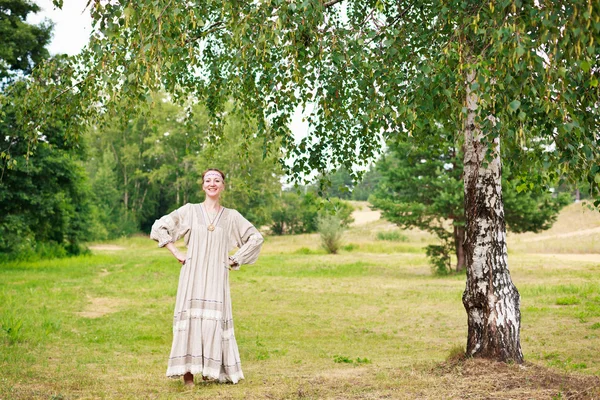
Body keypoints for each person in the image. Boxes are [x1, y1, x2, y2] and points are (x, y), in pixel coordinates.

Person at [150, 168, 264, 386]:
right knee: (192, 320)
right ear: (203, 186)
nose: (212, 183)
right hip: (192, 275)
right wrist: (177, 253)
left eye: (217, 180)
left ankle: (210, 370)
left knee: (212, 321)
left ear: (223, 186)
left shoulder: (231, 216)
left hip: (216, 277)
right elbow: (159, 227)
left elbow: (255, 238)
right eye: (208, 180)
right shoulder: (190, 211)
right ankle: (188, 375)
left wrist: (235, 259)